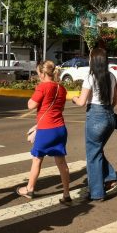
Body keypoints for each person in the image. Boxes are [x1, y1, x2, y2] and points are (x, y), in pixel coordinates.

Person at [15, 60, 72, 204]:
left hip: (46, 129)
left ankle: (29, 188)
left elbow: (30, 105)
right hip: (60, 128)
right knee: (61, 162)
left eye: (37, 73)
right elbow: (60, 109)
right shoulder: (61, 88)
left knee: (37, 159)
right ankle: (66, 194)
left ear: (42, 73)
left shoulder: (43, 87)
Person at [71, 48, 117, 202]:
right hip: (109, 116)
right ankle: (110, 177)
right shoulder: (111, 76)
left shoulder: (90, 77)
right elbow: (115, 100)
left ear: (94, 61)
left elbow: (81, 102)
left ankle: (96, 193)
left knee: (93, 155)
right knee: (96, 151)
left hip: (96, 117)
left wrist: (74, 98)